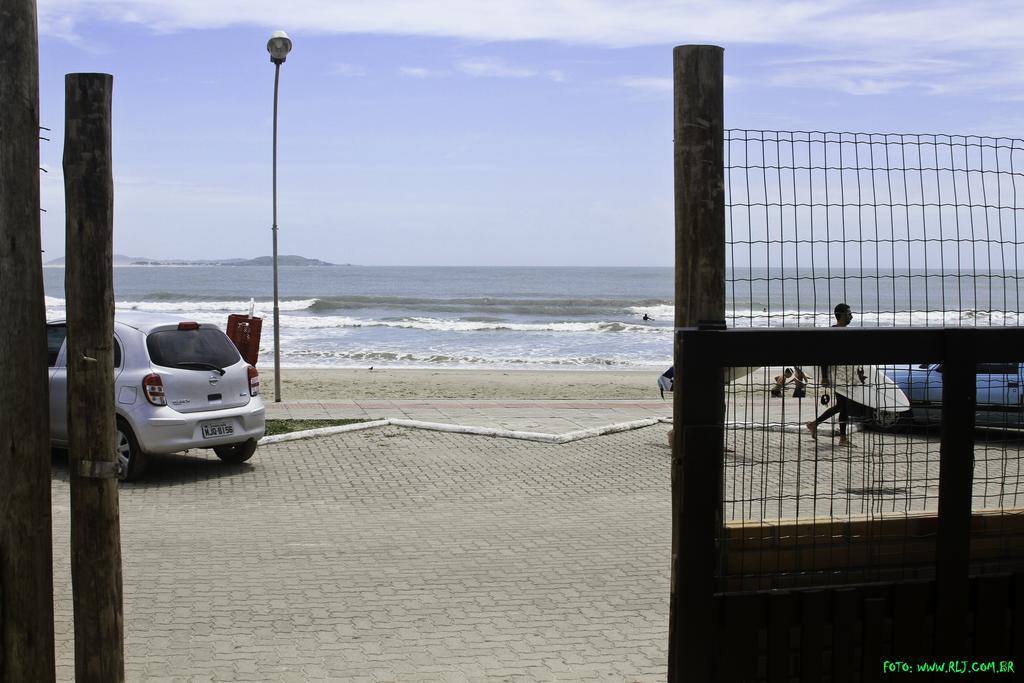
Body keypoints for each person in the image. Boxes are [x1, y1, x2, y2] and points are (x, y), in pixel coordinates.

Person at [806, 303, 854, 446]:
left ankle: (815, 424)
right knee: (843, 406)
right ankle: (842, 439)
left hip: (845, 376)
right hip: (836, 376)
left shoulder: (847, 332)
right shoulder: (832, 332)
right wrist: (825, 376)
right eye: (849, 313)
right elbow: (824, 355)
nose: (851, 316)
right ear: (841, 315)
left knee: (842, 406)